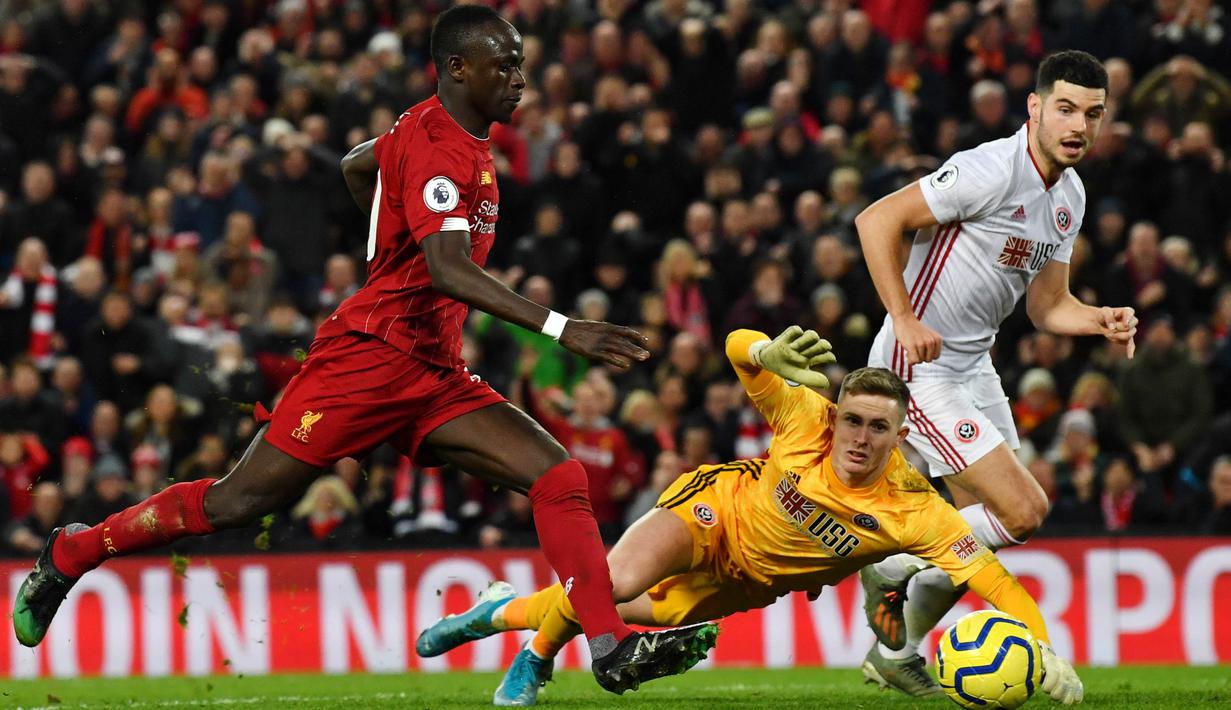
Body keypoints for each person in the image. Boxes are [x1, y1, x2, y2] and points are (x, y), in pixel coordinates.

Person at [12, 6, 715, 694]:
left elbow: (357, 166)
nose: (519, 78)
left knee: (557, 476)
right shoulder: (441, 147)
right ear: (457, 68)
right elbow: (448, 269)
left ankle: (610, 646)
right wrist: (562, 328)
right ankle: (75, 549)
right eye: (504, 65)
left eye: (520, 64)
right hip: (368, 359)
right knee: (236, 502)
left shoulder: (434, 131)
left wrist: (390, 239)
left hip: (433, 370)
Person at [415, 326, 1083, 707]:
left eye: (877, 428)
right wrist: (764, 354)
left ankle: (495, 611)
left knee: (617, 605)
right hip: (712, 514)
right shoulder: (805, 415)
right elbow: (736, 347)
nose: (858, 437)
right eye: (851, 419)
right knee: (611, 583)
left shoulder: (916, 512)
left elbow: (996, 584)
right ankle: (536, 660)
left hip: (744, 584)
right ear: (837, 412)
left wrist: (1044, 649)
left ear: (900, 434)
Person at [853, 49, 1136, 696]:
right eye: (1065, 108)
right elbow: (876, 220)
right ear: (1035, 108)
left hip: (971, 367)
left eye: (1093, 114)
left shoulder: (1068, 197)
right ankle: (891, 566)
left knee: (984, 529)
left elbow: (1047, 306)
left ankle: (895, 651)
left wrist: (1098, 319)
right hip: (917, 368)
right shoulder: (989, 169)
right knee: (1023, 509)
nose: (1079, 126)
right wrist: (902, 317)